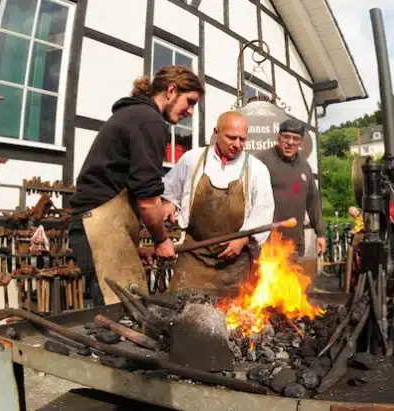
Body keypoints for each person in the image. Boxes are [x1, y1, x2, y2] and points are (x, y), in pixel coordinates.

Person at [68, 66, 205, 306]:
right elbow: (147, 199)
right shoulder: (149, 121)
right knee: (122, 314)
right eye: (190, 101)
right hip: (98, 224)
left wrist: (132, 245)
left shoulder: (135, 115)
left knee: (122, 310)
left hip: (100, 224)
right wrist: (161, 240)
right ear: (171, 90)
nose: (191, 112)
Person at [161, 111, 275, 290]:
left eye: (242, 139)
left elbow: (263, 212)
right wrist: (168, 202)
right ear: (216, 132)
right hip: (194, 257)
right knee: (181, 310)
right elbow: (169, 189)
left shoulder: (257, 169)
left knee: (235, 315)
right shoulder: (192, 159)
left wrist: (243, 239)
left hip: (234, 263)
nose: (237, 144)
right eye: (231, 137)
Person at [256, 119, 326, 257]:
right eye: (286, 137)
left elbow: (313, 203)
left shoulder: (305, 167)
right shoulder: (262, 161)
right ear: (279, 137)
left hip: (295, 243)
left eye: (296, 138)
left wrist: (321, 234)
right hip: (267, 242)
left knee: (295, 278)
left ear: (300, 142)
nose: (290, 142)